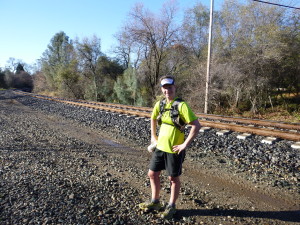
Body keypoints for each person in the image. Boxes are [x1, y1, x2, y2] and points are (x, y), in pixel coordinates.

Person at [139, 75, 201, 219]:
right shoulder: (160, 104)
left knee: (173, 178)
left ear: (175, 87)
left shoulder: (181, 105)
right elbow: (153, 118)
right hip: (160, 147)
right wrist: (153, 136)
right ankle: (155, 201)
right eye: (165, 88)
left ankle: (171, 205)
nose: (167, 90)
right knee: (152, 174)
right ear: (162, 89)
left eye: (170, 87)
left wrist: (185, 144)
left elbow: (196, 125)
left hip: (174, 150)